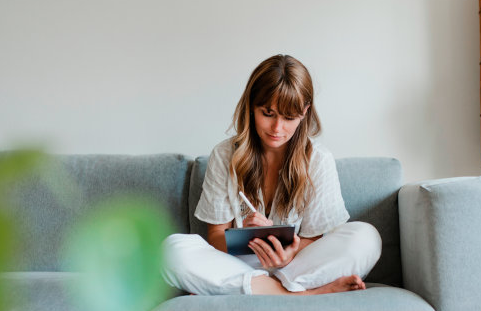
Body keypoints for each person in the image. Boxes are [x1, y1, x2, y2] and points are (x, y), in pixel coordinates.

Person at [162, 55, 381, 295]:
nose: (277, 129)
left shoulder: (318, 160)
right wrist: (247, 238)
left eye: (289, 118)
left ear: (305, 112)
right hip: (238, 264)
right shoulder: (225, 155)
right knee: (171, 250)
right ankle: (302, 295)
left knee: (366, 237)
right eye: (268, 113)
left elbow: (314, 239)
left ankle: (256, 290)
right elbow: (215, 236)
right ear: (251, 106)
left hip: (295, 265)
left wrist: (288, 253)